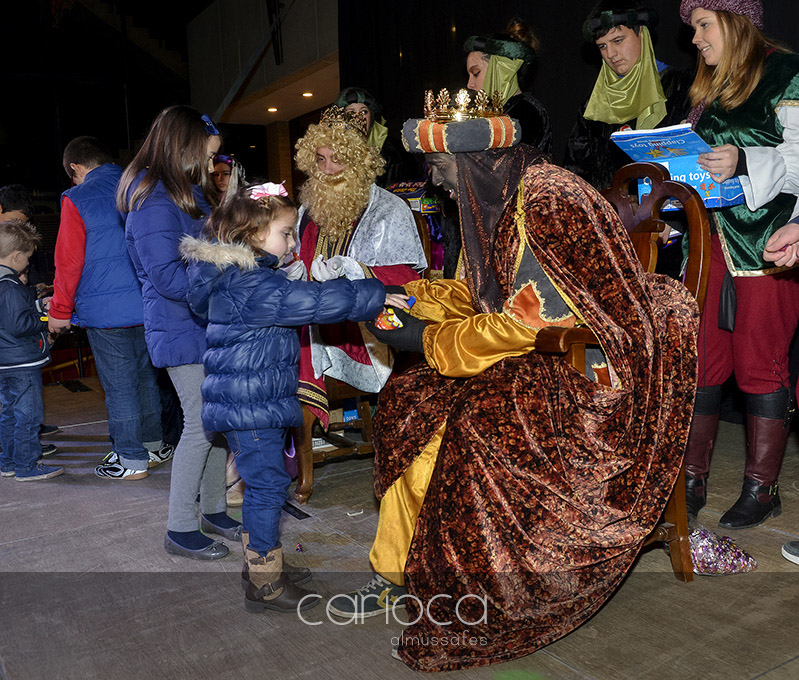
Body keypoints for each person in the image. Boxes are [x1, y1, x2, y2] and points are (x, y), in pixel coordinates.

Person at [327, 92, 699, 671]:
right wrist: (408, 298)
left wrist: (425, 340)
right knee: (407, 399)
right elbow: (477, 292)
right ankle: (400, 571)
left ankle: (473, 590)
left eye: (442, 169)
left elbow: (532, 321)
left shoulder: (548, 198)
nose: (435, 182)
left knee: (473, 427)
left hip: (591, 370)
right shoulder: (494, 197)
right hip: (527, 352)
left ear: (475, 160)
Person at [181, 181, 399, 611]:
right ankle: (266, 583)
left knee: (265, 485)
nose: (293, 241)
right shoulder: (255, 286)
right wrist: (375, 294)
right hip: (251, 406)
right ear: (255, 235)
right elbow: (315, 301)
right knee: (267, 487)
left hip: (248, 400)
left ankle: (260, 561)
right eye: (286, 232)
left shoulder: (241, 276)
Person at [678, 0, 799, 530]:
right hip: (708, 247)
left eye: (704, 25)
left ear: (734, 19)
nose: (697, 39)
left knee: (759, 363)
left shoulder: (785, 74)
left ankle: (762, 487)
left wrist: (747, 159)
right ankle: (690, 478)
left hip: (767, 246)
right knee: (702, 361)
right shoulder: (710, 89)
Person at [119, 106, 237, 560]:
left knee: (217, 423)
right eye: (209, 158)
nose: (214, 167)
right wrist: (223, 267)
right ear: (185, 150)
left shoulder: (185, 194)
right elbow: (168, 278)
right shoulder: (153, 203)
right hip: (178, 329)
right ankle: (180, 528)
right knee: (199, 427)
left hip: (200, 325)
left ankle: (213, 510)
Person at [48, 136, 174, 480]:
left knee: (119, 387)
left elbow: (69, 260)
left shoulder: (77, 197)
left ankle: (130, 459)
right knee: (146, 380)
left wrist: (60, 310)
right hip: (148, 302)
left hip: (106, 312)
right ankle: (153, 445)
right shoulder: (144, 183)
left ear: (76, 168)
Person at [293, 106, 426, 429]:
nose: (328, 169)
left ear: (357, 161)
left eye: (337, 159)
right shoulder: (306, 211)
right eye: (320, 159)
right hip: (314, 319)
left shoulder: (389, 209)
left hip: (367, 327)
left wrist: (352, 269)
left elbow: (410, 283)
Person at [563, 1, 694, 192]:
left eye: (618, 40)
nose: (610, 54)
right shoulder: (593, 108)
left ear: (642, 33)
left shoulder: (682, 86)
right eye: (602, 46)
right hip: (608, 218)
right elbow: (574, 175)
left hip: (669, 216)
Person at [0, 220, 63, 481]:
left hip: (4, 363)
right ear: (16, 256)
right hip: (22, 363)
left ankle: (8, 462)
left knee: (8, 414)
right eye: (27, 258)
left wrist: (37, 306)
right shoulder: (11, 287)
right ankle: (27, 466)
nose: (28, 263)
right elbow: (19, 324)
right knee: (29, 415)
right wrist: (47, 319)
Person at [463, 19, 552, 154]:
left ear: (500, 68)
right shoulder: (493, 112)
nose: (469, 84)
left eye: (476, 73)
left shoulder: (526, 114)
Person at [334, 86, 417, 187]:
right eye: (351, 112)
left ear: (371, 117)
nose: (359, 118)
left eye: (364, 111)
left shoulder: (392, 151)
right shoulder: (331, 151)